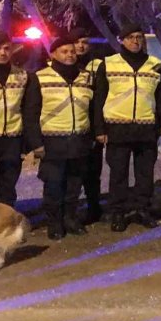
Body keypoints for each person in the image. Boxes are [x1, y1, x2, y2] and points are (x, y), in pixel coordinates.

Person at [93, 23, 161, 232]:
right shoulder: (109, 64)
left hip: (146, 127)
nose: (135, 41)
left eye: (139, 37)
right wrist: (99, 129)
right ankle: (118, 213)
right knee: (118, 175)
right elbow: (99, 98)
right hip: (117, 128)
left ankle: (143, 210)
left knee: (145, 174)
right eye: (131, 37)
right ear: (121, 39)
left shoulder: (155, 64)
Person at [25, 35, 95, 239]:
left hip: (79, 140)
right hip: (52, 141)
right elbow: (31, 113)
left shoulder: (86, 77)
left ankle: (70, 219)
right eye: (64, 52)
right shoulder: (39, 77)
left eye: (72, 51)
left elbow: (91, 110)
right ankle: (54, 223)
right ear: (53, 54)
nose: (70, 55)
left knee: (74, 184)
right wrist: (36, 143)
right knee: (54, 184)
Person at [69, 27, 104, 223]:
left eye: (85, 42)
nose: (81, 46)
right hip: (69, 127)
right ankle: (69, 211)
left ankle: (94, 208)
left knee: (93, 171)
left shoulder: (98, 65)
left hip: (92, 126)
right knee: (73, 172)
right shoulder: (59, 65)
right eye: (77, 42)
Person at [0, 31, 29, 208]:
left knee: (8, 185)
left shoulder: (22, 76)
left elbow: (28, 108)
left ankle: (3, 221)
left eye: (6, 48)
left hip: (12, 138)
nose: (2, 53)